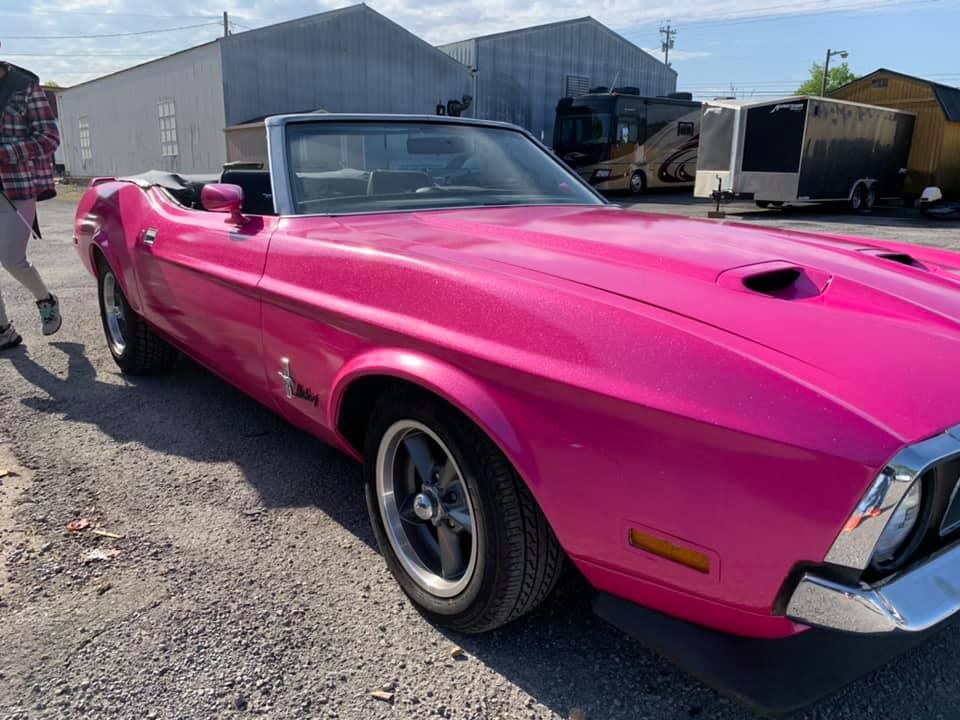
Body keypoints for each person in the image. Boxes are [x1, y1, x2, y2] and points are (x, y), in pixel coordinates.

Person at [0, 58, 62, 351]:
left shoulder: (24, 88)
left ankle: (45, 300)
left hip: (16, 189)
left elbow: (49, 138)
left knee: (12, 259)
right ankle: (3, 330)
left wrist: (5, 153)